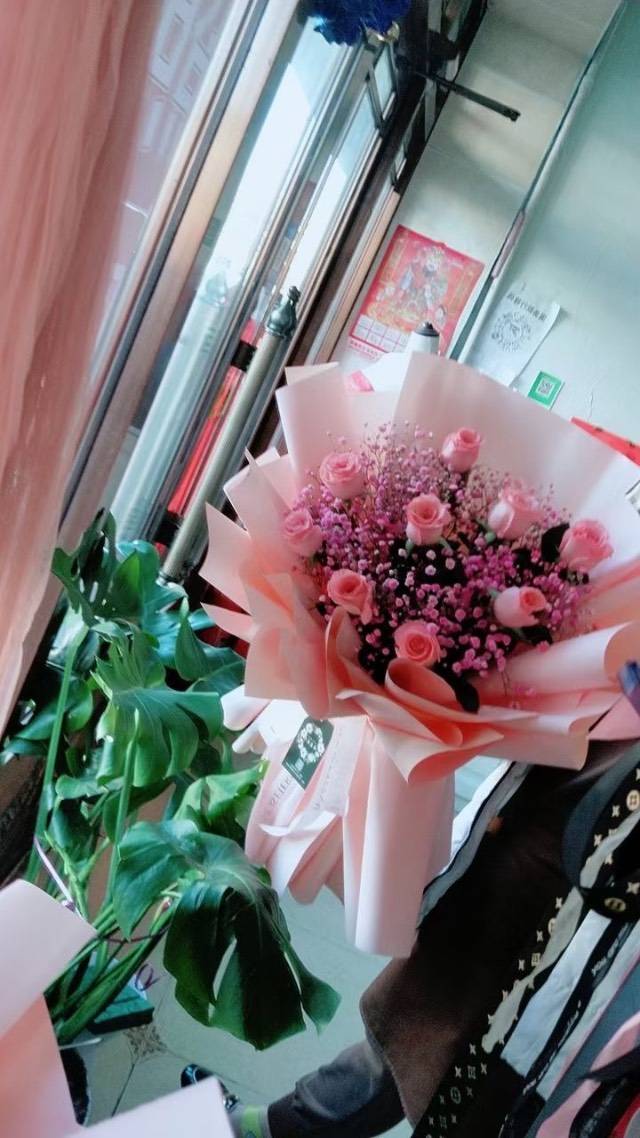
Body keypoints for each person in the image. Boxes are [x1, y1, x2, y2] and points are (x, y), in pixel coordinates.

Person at [181, 739, 637, 1138]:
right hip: (575, 827)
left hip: (593, 902)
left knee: (454, 1045)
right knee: (425, 1030)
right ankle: (267, 1127)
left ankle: (264, 1128)